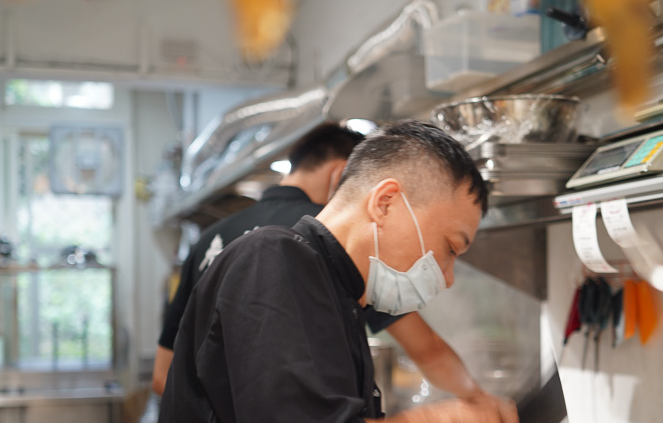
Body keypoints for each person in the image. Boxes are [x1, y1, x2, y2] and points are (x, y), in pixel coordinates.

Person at [135, 120, 519, 423]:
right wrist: (448, 422)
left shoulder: (335, 296)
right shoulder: (271, 263)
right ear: (386, 202)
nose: (444, 278)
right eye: (449, 247)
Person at [153, 123, 486, 402]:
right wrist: (477, 406)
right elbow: (425, 348)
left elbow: (164, 374)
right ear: (343, 174)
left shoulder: (208, 239)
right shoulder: (330, 242)